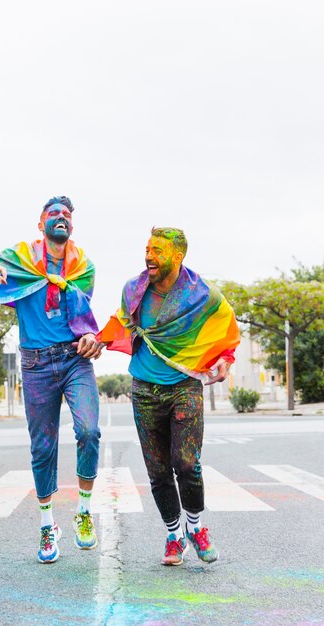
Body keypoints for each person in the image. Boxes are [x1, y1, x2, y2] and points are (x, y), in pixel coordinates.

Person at [0, 196, 102, 564]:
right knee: (43, 447)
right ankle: (46, 525)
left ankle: (84, 512)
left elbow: (83, 317)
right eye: (53, 214)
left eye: (67, 215)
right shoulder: (20, 258)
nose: (61, 218)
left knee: (89, 431)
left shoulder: (84, 267)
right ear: (41, 224)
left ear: (72, 225)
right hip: (36, 365)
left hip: (74, 361)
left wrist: (91, 337)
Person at [97, 227, 240, 566]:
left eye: (157, 250)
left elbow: (226, 329)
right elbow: (121, 323)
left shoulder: (202, 294)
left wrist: (225, 359)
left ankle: (196, 526)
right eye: (147, 248)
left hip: (184, 386)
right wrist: (96, 340)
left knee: (187, 463)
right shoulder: (133, 289)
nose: (149, 255)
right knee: (158, 470)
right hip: (143, 388)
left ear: (177, 256)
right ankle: (174, 534)